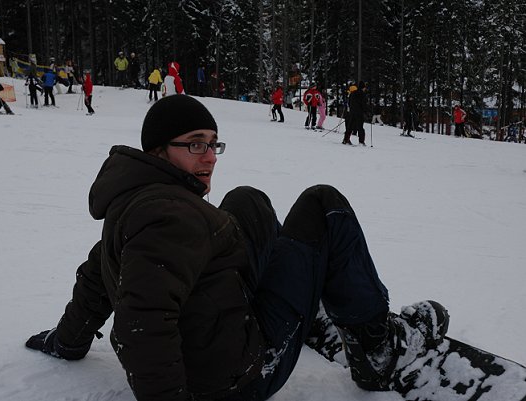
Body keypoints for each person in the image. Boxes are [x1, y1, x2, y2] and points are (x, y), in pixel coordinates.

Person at [26, 94, 449, 401]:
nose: (210, 156)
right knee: (324, 205)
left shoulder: (136, 203)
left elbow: (95, 280)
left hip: (219, 329)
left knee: (246, 199)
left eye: (213, 143)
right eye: (195, 143)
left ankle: (307, 302)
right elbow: (144, 322)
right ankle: (378, 348)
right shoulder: (170, 219)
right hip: (239, 377)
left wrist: (66, 343)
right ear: (158, 151)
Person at [343, 81, 368, 145]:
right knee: (360, 127)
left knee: (350, 127)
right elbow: (364, 104)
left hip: (352, 112)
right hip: (359, 113)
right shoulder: (363, 94)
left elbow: (349, 102)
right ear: (363, 87)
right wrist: (366, 111)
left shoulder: (352, 93)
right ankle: (361, 141)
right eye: (365, 88)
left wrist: (351, 109)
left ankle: (346, 140)